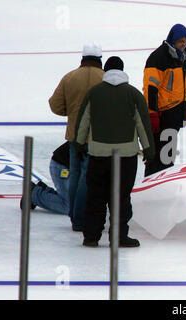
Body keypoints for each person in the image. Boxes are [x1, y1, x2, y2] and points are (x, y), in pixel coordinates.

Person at [74, 56, 155, 248]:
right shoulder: (134, 94)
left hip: (98, 154)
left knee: (96, 196)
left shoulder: (94, 93)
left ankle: (91, 236)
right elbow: (142, 125)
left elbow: (83, 121)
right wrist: (149, 151)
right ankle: (119, 236)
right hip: (125, 156)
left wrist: (78, 145)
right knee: (121, 197)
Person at [49, 42, 104, 231]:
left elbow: (55, 105)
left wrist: (72, 112)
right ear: (99, 59)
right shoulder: (104, 78)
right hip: (95, 137)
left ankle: (74, 215)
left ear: (82, 58)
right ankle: (80, 218)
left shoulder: (70, 77)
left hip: (74, 136)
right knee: (86, 177)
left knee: (75, 175)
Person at [143, 23, 186, 177]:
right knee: (156, 157)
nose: (183, 44)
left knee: (168, 155)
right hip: (162, 115)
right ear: (172, 40)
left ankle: (163, 183)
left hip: (175, 114)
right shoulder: (158, 58)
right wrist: (152, 114)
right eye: (180, 41)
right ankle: (152, 186)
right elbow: (150, 89)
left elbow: (185, 87)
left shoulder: (183, 57)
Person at [20, 142, 70, 215]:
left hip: (67, 167)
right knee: (70, 207)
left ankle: (45, 192)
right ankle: (33, 194)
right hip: (62, 168)